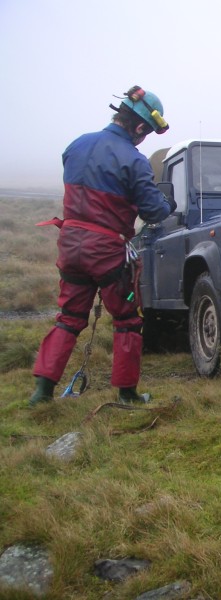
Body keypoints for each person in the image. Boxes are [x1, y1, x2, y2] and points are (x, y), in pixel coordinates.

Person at [29, 86, 176, 406]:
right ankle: (127, 393)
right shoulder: (133, 160)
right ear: (140, 126)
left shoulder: (76, 145)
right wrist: (168, 204)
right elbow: (153, 211)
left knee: (68, 317)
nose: (144, 139)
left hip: (70, 245)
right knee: (127, 320)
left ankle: (42, 392)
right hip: (107, 252)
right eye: (146, 133)